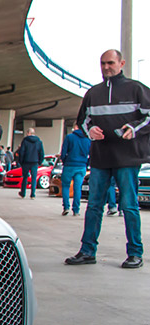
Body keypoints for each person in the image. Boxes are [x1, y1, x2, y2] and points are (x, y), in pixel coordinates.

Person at [66, 50, 150, 269]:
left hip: (128, 158)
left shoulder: (137, 89)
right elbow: (83, 120)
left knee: (129, 206)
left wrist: (133, 128)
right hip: (100, 158)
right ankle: (87, 251)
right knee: (94, 206)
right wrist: (90, 130)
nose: (106, 67)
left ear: (121, 63)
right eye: (103, 63)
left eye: (110, 63)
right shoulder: (93, 93)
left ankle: (135, 253)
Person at [59, 123, 90, 216]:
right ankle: (76, 210)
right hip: (81, 166)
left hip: (69, 165)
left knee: (65, 186)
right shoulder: (87, 139)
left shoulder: (69, 137)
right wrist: (86, 164)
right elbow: (91, 154)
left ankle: (66, 207)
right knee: (77, 188)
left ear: (76, 127)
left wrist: (65, 161)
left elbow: (63, 152)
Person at [15, 128, 45, 199]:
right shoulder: (39, 141)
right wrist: (39, 162)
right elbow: (41, 153)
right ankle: (33, 194)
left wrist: (21, 161)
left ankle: (23, 193)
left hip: (26, 162)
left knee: (25, 177)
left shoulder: (25, 141)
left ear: (28, 133)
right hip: (35, 162)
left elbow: (22, 152)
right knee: (34, 178)